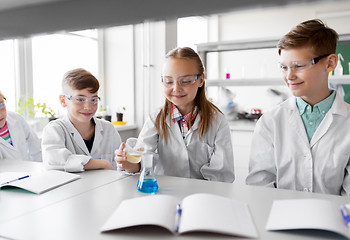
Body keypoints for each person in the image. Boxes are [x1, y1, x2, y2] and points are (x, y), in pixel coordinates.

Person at [246, 19, 350, 195]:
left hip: (334, 221)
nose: (289, 76)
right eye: (283, 67)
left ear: (330, 63)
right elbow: (259, 187)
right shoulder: (270, 122)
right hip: (280, 219)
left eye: (299, 66)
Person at [115, 47, 235, 182]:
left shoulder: (217, 121)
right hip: (165, 193)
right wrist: (129, 164)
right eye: (168, 81)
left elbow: (222, 176)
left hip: (202, 196)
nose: (176, 88)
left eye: (185, 81)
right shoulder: (156, 118)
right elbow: (143, 161)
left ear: (201, 80)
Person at [42, 68, 121, 172]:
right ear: (63, 100)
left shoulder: (108, 128)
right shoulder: (55, 129)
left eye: (94, 100)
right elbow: (53, 160)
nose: (88, 107)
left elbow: (120, 167)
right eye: (80, 99)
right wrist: (101, 163)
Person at [0, 91, 42, 161]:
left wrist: (39, 167)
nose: (0, 114)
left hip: (29, 168)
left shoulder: (17, 119)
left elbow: (36, 147)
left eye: (1, 105)